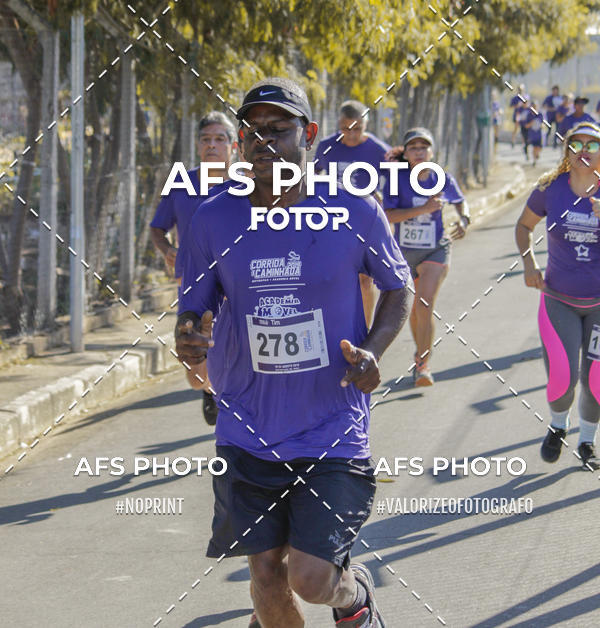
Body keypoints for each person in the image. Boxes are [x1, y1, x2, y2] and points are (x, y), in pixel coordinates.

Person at [175, 77, 412, 628]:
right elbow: (193, 305)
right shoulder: (213, 219)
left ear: (308, 135)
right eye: (251, 131)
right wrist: (188, 336)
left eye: (278, 129)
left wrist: (373, 351)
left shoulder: (353, 208)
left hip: (332, 426)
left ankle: (353, 596)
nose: (263, 141)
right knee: (265, 577)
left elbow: (398, 286)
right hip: (247, 427)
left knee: (311, 578)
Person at [515, 122, 600, 471]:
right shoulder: (550, 188)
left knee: (596, 382)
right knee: (563, 380)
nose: (584, 150)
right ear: (567, 151)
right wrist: (529, 262)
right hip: (558, 299)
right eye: (576, 143)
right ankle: (558, 426)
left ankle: (587, 441)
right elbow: (524, 226)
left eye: (592, 144)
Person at [150, 111, 237, 425]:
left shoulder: (248, 184)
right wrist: (167, 251)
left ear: (234, 146)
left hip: (238, 286)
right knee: (195, 372)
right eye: (205, 139)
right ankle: (211, 390)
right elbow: (157, 228)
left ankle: (233, 401)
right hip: (194, 286)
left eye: (219, 139)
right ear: (198, 145)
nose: (212, 145)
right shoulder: (182, 182)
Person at [382, 127, 469, 387]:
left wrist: (464, 218)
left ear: (431, 152)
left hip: (435, 249)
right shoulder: (397, 180)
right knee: (414, 312)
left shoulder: (442, 178)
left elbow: (460, 201)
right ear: (406, 154)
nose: (419, 152)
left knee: (424, 304)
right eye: (413, 148)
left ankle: (423, 364)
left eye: (424, 148)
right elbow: (388, 215)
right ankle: (420, 356)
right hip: (404, 252)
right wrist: (424, 209)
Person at [314, 100, 391, 327]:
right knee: (333, 278)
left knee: (365, 280)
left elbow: (397, 179)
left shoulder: (378, 150)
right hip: (332, 222)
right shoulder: (326, 146)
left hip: (365, 222)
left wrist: (384, 202)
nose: (351, 134)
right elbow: (313, 176)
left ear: (366, 126)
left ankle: (365, 334)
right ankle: (336, 327)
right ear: (339, 125)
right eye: (346, 128)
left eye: (357, 128)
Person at [523, 100, 543, 166]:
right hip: (532, 134)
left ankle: (537, 154)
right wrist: (532, 123)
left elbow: (542, 123)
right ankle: (534, 160)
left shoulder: (540, 114)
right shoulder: (529, 115)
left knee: (539, 147)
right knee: (534, 147)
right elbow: (526, 126)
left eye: (535, 106)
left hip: (539, 134)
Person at [509, 84, 529, 149]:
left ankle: (524, 143)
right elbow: (511, 106)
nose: (520, 91)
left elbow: (528, 105)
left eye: (521, 90)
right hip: (517, 115)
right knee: (516, 128)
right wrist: (517, 106)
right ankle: (513, 140)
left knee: (523, 130)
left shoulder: (526, 97)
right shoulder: (515, 98)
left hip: (524, 116)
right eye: (519, 89)